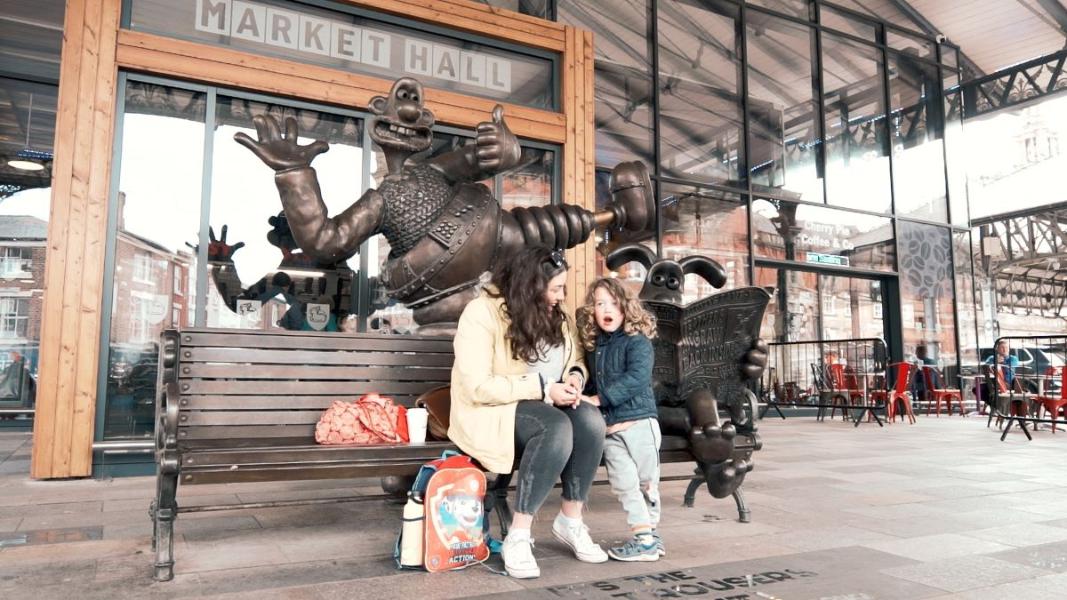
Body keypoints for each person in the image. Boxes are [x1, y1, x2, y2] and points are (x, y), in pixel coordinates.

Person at [449, 246, 608, 579]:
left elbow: (574, 358)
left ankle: (570, 519)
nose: (561, 296)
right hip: (492, 410)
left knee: (591, 422)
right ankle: (519, 535)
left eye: (562, 288)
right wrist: (541, 389)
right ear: (530, 287)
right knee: (555, 426)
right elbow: (477, 386)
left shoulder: (555, 314)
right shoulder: (481, 313)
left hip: (546, 402)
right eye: (555, 289)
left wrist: (576, 378)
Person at [576, 277, 662, 562]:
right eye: (599, 303)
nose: (606, 309)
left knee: (646, 482)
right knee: (624, 484)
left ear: (626, 307)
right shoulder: (594, 347)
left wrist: (599, 400)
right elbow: (594, 384)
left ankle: (649, 536)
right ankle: (645, 538)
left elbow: (636, 379)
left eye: (613, 303)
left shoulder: (637, 342)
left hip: (639, 423)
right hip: (611, 429)